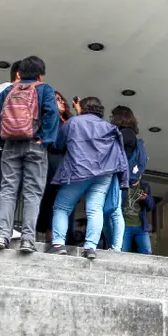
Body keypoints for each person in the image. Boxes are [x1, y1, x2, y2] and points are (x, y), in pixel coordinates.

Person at [0, 55, 59, 252]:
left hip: (10, 145)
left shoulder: (7, 91)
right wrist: (44, 140)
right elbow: (52, 115)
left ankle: (2, 235)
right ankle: (27, 239)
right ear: (40, 75)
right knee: (32, 193)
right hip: (35, 145)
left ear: (19, 73)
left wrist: (2, 140)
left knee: (8, 190)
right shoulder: (44, 89)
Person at [47, 97, 129, 260]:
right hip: (104, 173)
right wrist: (123, 179)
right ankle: (90, 247)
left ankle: (58, 244)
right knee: (95, 209)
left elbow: (59, 144)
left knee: (62, 207)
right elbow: (120, 155)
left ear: (82, 108)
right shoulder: (110, 128)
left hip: (78, 170)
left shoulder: (73, 122)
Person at [36, 90, 72, 242]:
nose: (61, 101)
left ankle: (62, 237)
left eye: (62, 99)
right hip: (53, 159)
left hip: (68, 163)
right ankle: (51, 237)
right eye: (57, 99)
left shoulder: (70, 121)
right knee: (51, 199)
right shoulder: (49, 119)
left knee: (66, 200)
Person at [108, 105, 142, 251]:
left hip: (117, 175)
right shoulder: (129, 133)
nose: (111, 119)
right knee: (112, 209)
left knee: (114, 210)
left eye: (113, 116)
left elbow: (113, 152)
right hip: (120, 175)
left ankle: (116, 247)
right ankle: (113, 246)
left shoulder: (125, 133)